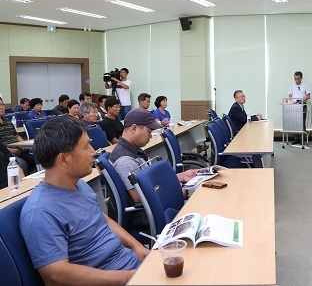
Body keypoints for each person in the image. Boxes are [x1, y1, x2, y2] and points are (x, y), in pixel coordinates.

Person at [20, 117, 148, 285]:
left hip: (129, 265)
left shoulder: (79, 184)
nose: (93, 151)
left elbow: (101, 218)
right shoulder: (40, 211)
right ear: (64, 160)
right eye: (87, 146)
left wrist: (136, 246)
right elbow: (55, 276)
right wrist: (128, 277)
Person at [110, 108, 221, 205]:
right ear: (134, 128)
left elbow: (150, 182)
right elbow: (139, 198)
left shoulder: (134, 150)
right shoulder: (124, 160)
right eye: (149, 132)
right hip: (154, 213)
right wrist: (174, 190)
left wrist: (182, 176)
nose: (150, 136)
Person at [0, 97, 35, 174]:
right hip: (7, 154)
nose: (1, 107)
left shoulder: (7, 120)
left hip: (20, 150)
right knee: (22, 165)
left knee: (39, 157)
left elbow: (16, 136)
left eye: (2, 104)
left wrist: (24, 146)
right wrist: (14, 151)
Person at [288, 71, 311, 145]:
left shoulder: (305, 85)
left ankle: (302, 139)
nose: (296, 80)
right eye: (295, 79)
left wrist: (301, 100)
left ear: (301, 78)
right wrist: (289, 100)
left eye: (298, 79)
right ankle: (296, 138)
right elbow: (290, 96)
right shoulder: (292, 86)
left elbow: (308, 96)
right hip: (294, 106)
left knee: (302, 122)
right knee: (295, 123)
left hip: (302, 105)